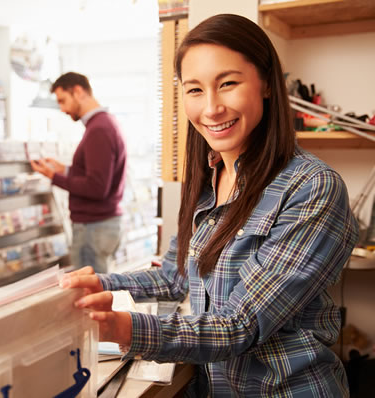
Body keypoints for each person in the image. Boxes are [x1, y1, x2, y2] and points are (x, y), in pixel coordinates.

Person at [59, 14, 359, 397]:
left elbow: (240, 324)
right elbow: (175, 276)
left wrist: (123, 327)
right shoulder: (208, 178)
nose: (211, 108)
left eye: (228, 84)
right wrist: (99, 283)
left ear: (267, 84)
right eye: (195, 90)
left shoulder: (312, 187)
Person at [31, 72, 127, 273]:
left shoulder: (99, 129)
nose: (62, 109)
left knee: (90, 294)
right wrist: (64, 169)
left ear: (78, 91)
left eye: (63, 100)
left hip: (93, 228)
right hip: (99, 226)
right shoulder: (102, 124)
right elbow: (96, 173)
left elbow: (97, 187)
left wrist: (54, 177)